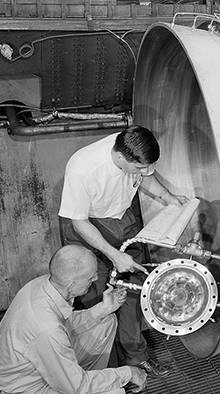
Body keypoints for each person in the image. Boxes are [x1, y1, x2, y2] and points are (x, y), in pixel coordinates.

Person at [0, 245, 149, 394]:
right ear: (72, 284)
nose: (94, 282)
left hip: (37, 371)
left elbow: (66, 325)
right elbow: (76, 383)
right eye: (91, 278)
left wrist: (103, 308)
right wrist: (129, 372)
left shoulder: (41, 286)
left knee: (105, 322)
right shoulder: (46, 330)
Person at [58, 125, 184, 376]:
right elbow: (79, 222)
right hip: (89, 228)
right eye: (139, 168)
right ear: (120, 158)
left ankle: (137, 359)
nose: (145, 173)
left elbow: (146, 175)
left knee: (133, 292)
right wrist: (114, 255)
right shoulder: (83, 168)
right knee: (96, 299)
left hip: (122, 219)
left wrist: (169, 198)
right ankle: (102, 369)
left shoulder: (130, 149)